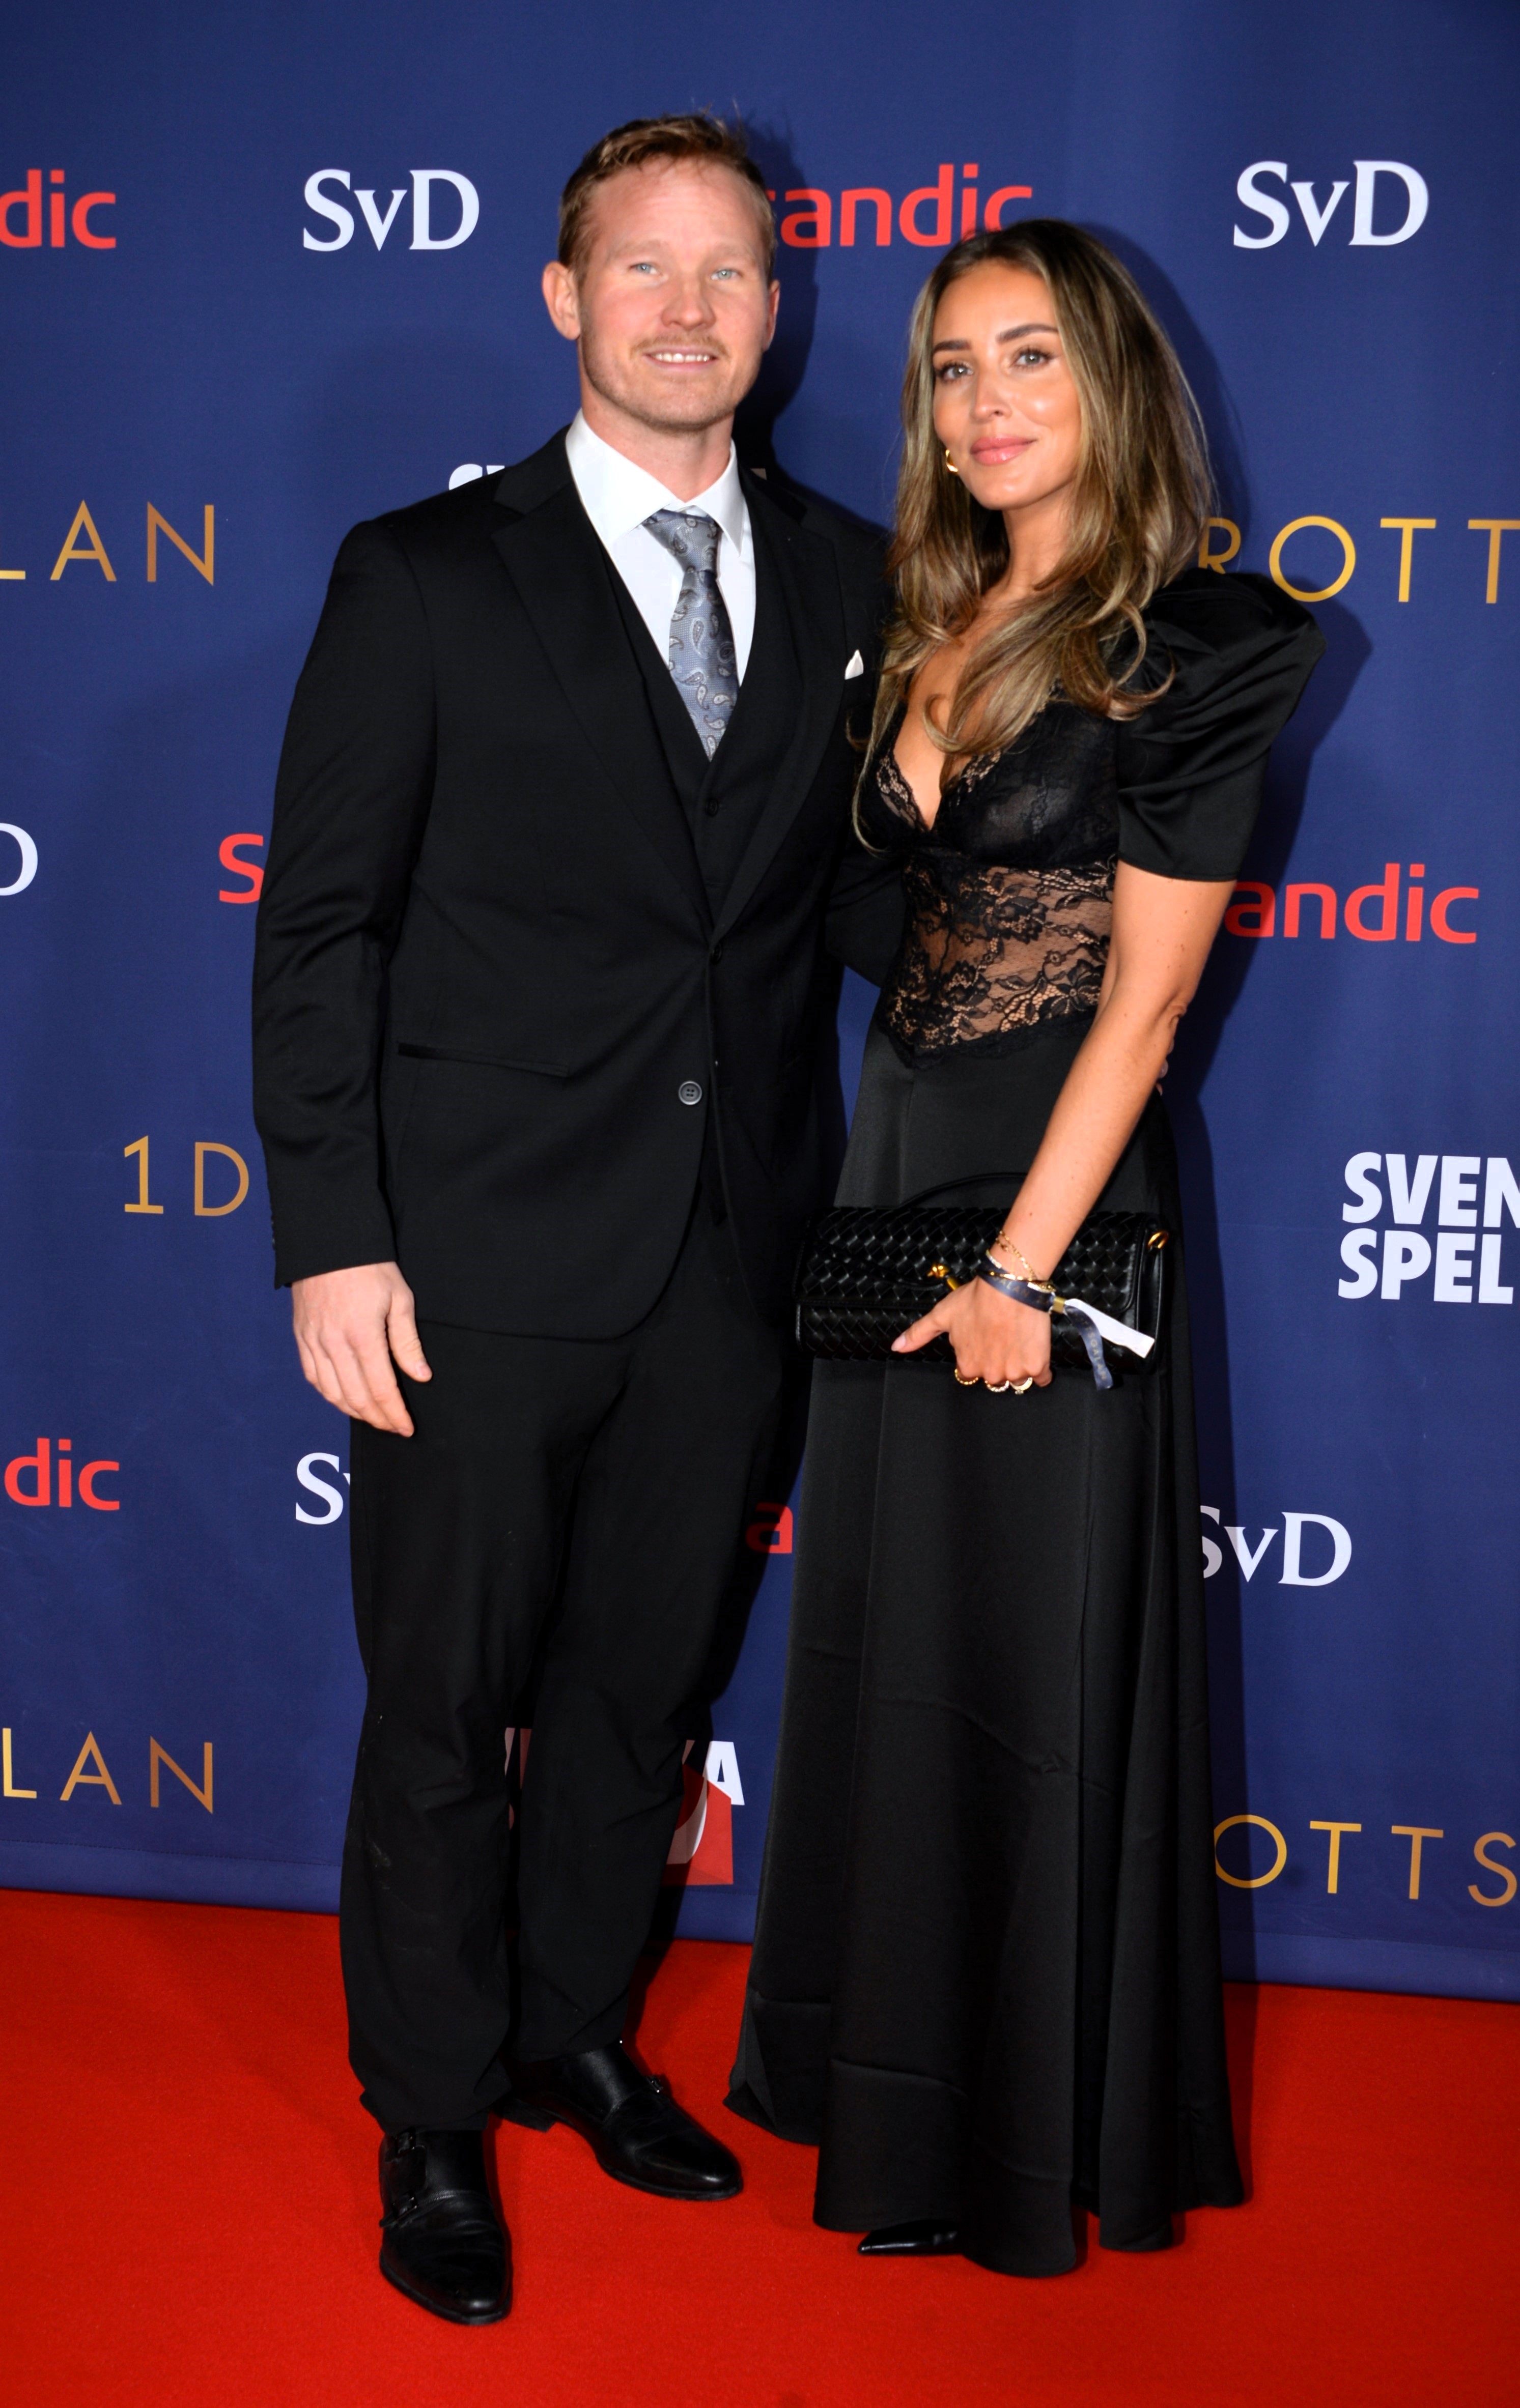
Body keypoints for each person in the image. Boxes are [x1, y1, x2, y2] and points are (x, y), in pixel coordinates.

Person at [251, 113, 899, 2326]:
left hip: (731, 1251)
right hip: (468, 1261)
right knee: (446, 1706)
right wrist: (332, 1235)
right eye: (645, 265)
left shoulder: (851, 578)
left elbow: (851, 908)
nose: (688, 308)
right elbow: (320, 929)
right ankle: (434, 2111)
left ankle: (574, 2035)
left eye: (730, 270)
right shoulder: (425, 575)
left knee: (642, 1689)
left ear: (777, 308)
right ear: (564, 296)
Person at [728, 220, 1323, 2278]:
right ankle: (883, 2090)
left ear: (1115, 382)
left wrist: (1023, 1273)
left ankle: (1019, 2139)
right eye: (953, 366)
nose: (986, 403)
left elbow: (1144, 1007)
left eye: (1032, 357)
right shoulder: (922, 614)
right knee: (900, 1644)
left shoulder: (1203, 637)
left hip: (1051, 1204)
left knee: (1025, 1656)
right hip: (900, 1161)